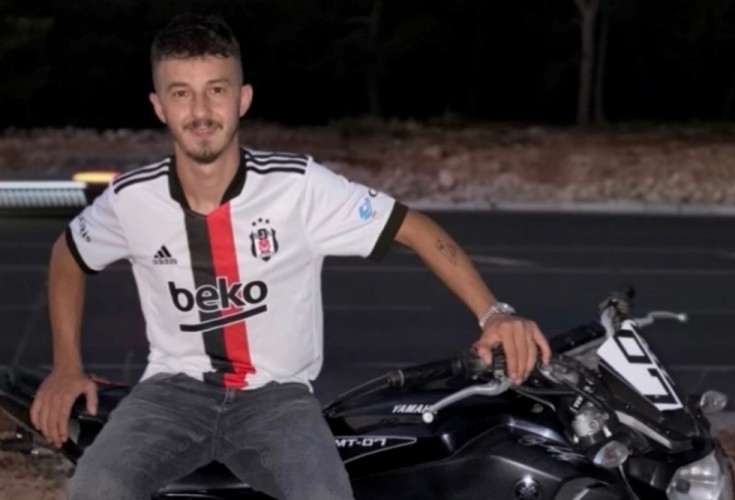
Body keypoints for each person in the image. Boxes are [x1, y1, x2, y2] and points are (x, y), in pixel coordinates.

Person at [29, 13, 551, 500]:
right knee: (94, 487)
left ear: (243, 98)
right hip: (171, 394)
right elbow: (67, 254)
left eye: (216, 90)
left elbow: (414, 228)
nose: (201, 112)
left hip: (276, 400)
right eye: (181, 93)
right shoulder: (132, 198)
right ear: (159, 106)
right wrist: (67, 366)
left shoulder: (298, 186)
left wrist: (494, 313)